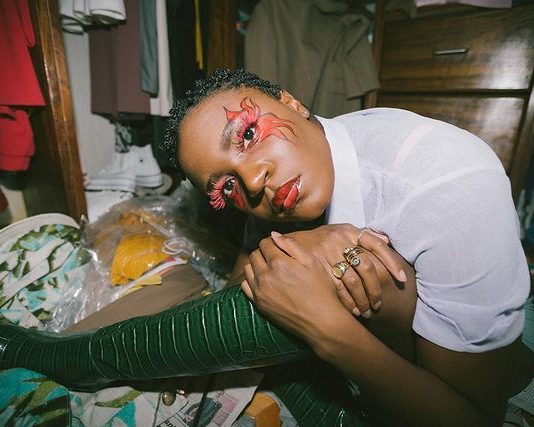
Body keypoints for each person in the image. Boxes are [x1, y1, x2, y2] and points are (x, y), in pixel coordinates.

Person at [163, 68, 531, 426]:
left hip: (494, 392)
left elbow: (475, 417)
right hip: (386, 377)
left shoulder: (447, 185)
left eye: (247, 134)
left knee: (359, 266)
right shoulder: (289, 170)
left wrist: (326, 329)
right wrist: (203, 352)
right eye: (227, 186)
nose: (254, 180)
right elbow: (241, 281)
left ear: (292, 103)